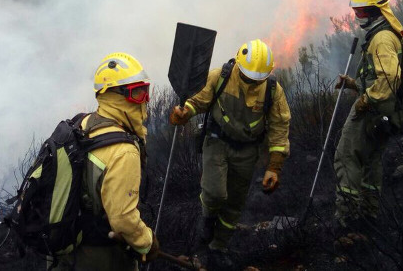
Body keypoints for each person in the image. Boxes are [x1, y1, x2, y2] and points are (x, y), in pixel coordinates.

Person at [170, 39, 291, 258]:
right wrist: (184, 112)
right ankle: (206, 222)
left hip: (247, 151)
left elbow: (280, 127)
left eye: (258, 79)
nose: (252, 83)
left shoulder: (273, 91)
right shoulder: (221, 77)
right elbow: (198, 101)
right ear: (238, 64)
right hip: (218, 142)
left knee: (235, 204)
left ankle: (219, 247)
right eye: (247, 77)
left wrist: (274, 166)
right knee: (215, 193)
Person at [52, 52, 159, 271]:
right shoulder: (123, 151)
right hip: (99, 254)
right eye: (137, 93)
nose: (145, 100)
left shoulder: (83, 124)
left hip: (66, 243)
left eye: (145, 91)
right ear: (115, 96)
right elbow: (123, 219)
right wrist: (146, 242)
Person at [333, 0, 403, 240]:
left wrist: (367, 99)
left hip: (373, 108)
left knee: (346, 157)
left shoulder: (382, 38)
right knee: (371, 160)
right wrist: (353, 84)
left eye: (362, 12)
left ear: (375, 12)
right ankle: (369, 216)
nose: (358, 17)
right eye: (357, 12)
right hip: (385, 108)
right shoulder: (385, 33)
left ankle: (347, 220)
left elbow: (390, 76)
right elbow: (379, 76)